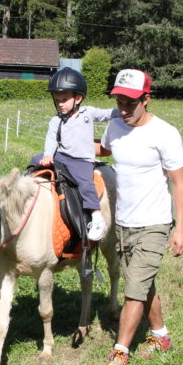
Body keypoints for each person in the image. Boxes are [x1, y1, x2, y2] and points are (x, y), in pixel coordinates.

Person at [97, 68, 183, 365]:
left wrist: (180, 228)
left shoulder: (165, 133)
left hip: (154, 223)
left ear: (146, 99)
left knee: (133, 290)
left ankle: (119, 354)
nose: (123, 109)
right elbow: (105, 149)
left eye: (130, 103)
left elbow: (179, 183)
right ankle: (161, 336)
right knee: (143, 283)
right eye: (119, 102)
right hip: (123, 223)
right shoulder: (115, 126)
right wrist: (67, 145)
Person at [33, 67, 120, 241]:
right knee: (36, 159)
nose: (60, 104)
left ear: (78, 98)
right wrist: (48, 155)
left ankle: (96, 216)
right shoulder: (56, 120)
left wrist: (123, 111)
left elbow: (105, 114)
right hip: (63, 155)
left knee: (86, 184)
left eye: (64, 100)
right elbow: (51, 139)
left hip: (82, 161)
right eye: (57, 100)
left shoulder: (88, 113)